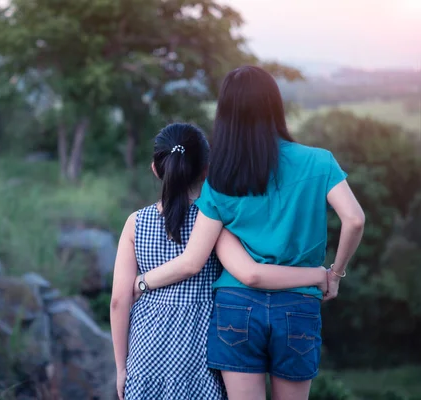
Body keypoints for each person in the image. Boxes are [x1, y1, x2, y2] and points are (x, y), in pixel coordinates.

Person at [132, 66, 365, 400]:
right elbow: (355, 220)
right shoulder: (319, 162)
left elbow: (192, 261)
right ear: (274, 105)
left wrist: (141, 282)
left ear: (226, 115)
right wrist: (335, 273)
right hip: (298, 304)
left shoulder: (221, 180)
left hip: (237, 308)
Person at [110, 122, 332, 400]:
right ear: (207, 170)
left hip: (146, 352)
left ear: (156, 170)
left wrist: (122, 367)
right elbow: (251, 273)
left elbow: (119, 301)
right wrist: (319, 275)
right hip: (199, 351)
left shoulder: (135, 223)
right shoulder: (215, 223)